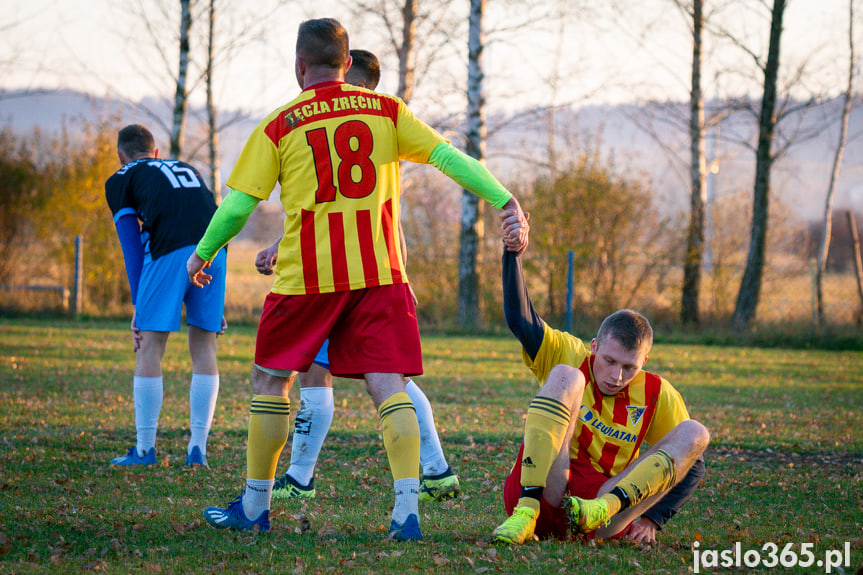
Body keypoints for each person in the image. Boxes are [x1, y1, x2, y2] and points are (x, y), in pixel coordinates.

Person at [186, 18, 528, 540]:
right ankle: (406, 515)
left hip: (307, 279)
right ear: (348, 64)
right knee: (389, 386)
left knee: (270, 382)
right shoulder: (388, 111)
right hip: (381, 275)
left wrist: (203, 254)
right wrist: (504, 199)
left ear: (300, 66)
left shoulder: (281, 123)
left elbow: (238, 205)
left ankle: (255, 508)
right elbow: (447, 157)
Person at [255, 49, 459, 504]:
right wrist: (279, 247)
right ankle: (435, 472)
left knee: (335, 374)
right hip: (374, 278)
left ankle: (301, 478)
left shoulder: (362, 123)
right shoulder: (380, 134)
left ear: (357, 83)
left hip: (339, 283)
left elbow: (338, 220)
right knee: (388, 379)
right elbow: (328, 218)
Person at [491, 247, 709, 545]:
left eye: (628, 367)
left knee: (695, 432)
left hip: (601, 513)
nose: (616, 376)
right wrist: (513, 252)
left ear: (643, 362)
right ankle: (525, 511)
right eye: (609, 361)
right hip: (547, 490)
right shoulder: (569, 352)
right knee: (567, 376)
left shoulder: (656, 393)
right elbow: (520, 319)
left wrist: (652, 518)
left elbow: (692, 462)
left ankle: (600, 509)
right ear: (594, 346)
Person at [104, 124, 226, 468]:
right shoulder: (185, 167)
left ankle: (144, 450)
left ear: (121, 156)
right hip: (214, 249)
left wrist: (137, 304)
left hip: (170, 251)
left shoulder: (121, 177)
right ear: (156, 152)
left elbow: (131, 246)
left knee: (150, 346)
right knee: (204, 346)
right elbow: (210, 215)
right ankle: (197, 448)